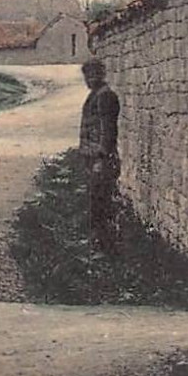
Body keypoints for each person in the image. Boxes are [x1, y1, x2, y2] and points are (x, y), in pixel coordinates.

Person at [78, 57, 122, 252]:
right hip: (93, 158)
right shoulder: (95, 95)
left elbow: (108, 130)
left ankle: (105, 246)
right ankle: (98, 242)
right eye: (87, 76)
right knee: (96, 200)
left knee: (100, 202)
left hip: (101, 159)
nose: (90, 79)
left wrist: (102, 157)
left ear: (102, 75)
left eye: (94, 75)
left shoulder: (105, 96)